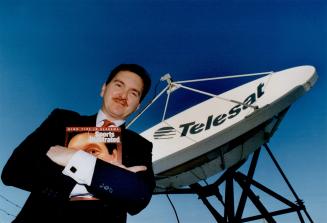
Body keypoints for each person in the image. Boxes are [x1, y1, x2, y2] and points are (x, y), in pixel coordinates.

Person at [1, 64, 155, 223]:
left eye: (133, 93)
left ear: (137, 106)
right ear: (103, 89)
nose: (124, 95)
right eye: (119, 85)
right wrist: (112, 177)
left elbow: (139, 198)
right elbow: (13, 170)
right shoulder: (61, 120)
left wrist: (75, 160)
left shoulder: (140, 146)